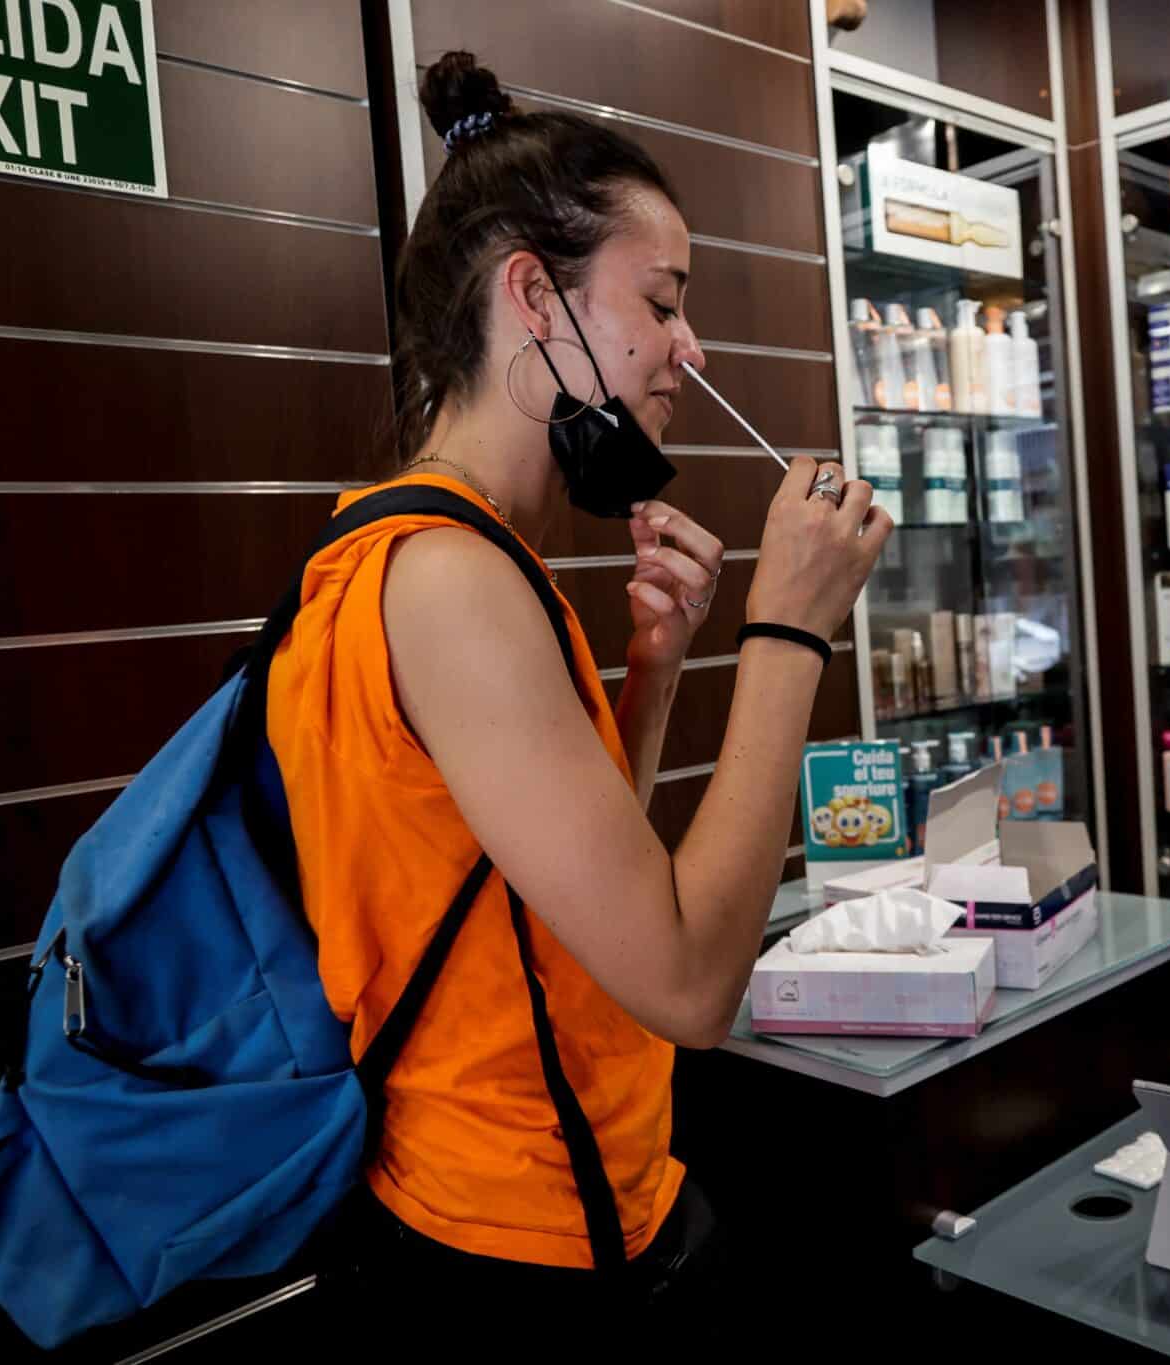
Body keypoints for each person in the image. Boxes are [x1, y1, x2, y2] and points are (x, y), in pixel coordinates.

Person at [264, 52, 891, 1340]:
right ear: (532, 298)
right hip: (521, 1251)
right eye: (660, 304)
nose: (688, 347)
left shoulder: (434, 550)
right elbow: (686, 984)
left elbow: (549, 896)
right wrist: (787, 632)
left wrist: (652, 680)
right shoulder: (448, 581)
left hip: (542, 1211)